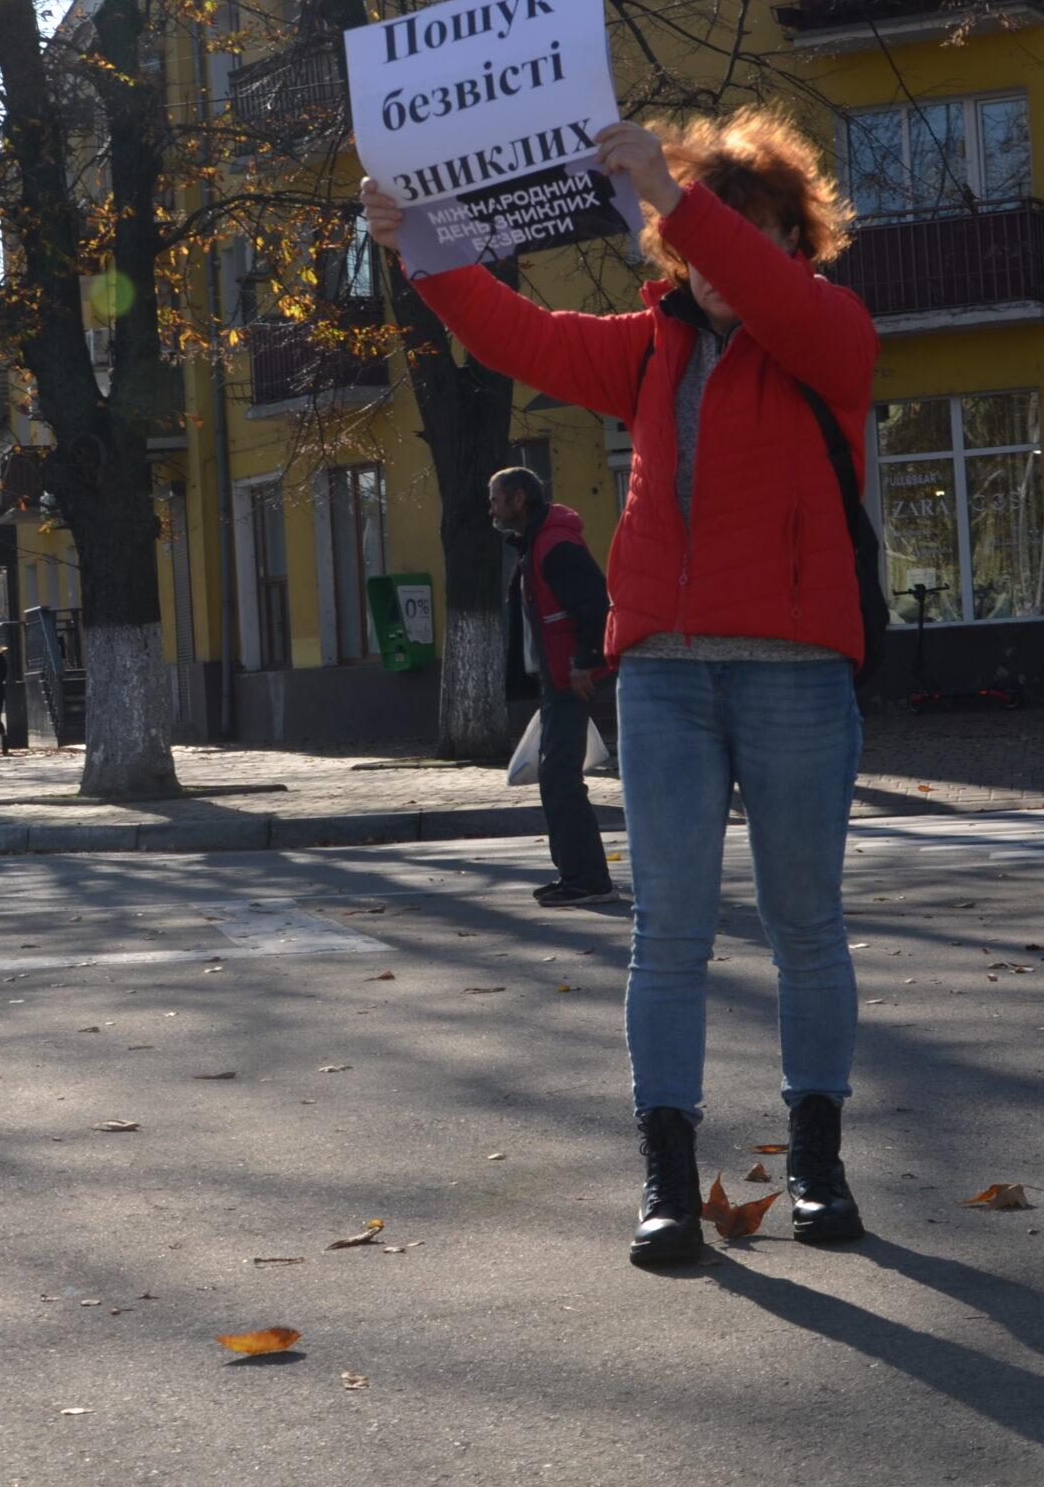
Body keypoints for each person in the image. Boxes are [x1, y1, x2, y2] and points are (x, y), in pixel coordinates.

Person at [363, 108, 878, 1266]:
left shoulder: (825, 331)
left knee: (806, 926)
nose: (716, 255)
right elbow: (521, 336)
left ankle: (816, 1161)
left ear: (792, 236)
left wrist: (675, 190)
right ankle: (663, 1172)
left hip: (796, 669)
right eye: (698, 237)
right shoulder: (651, 347)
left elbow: (778, 298)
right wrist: (420, 248)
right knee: (668, 935)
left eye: (748, 229)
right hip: (662, 678)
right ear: (673, 255)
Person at [491, 467, 614, 908]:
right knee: (555, 776)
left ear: (520, 498)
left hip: (570, 678)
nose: (493, 509)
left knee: (560, 776)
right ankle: (575, 875)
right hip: (556, 678)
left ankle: (589, 880)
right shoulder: (535, 543)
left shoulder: (554, 544)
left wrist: (584, 661)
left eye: (497, 500)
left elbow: (595, 602)